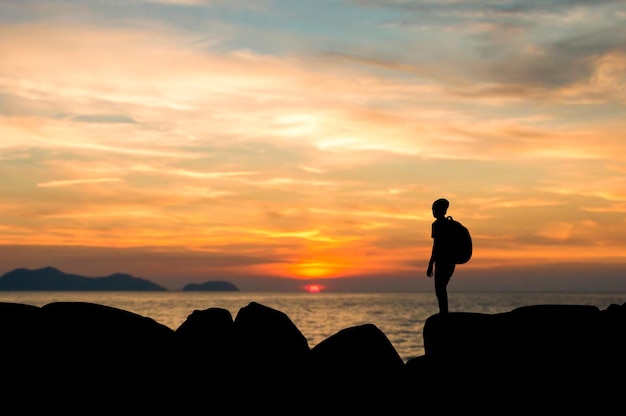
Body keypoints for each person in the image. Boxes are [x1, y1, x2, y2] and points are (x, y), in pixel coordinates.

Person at [426, 198, 456, 314]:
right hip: (451, 260)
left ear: (442, 210)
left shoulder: (437, 225)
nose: (433, 212)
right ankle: (444, 312)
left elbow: (436, 246)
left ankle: (443, 313)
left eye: (435, 209)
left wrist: (430, 264)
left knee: (440, 288)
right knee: (442, 287)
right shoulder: (450, 224)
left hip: (442, 260)